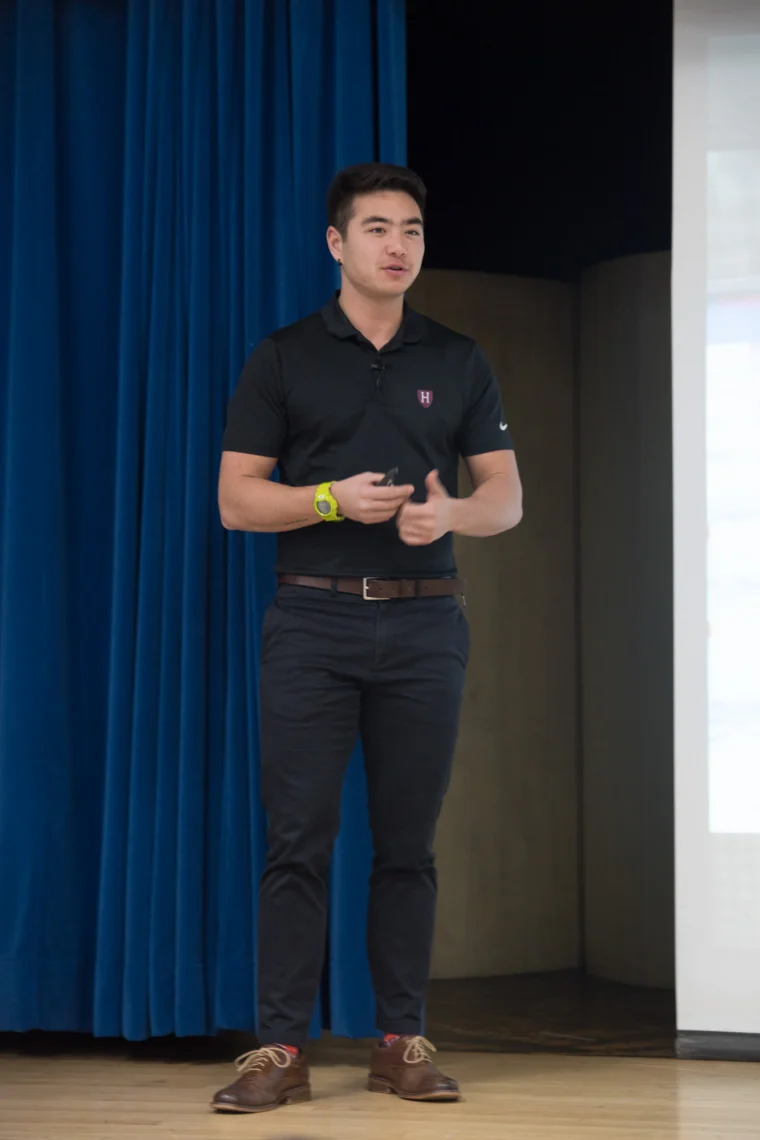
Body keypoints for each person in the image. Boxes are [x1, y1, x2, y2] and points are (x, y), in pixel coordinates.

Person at [212, 162, 522, 1114]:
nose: (399, 246)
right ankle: (278, 1050)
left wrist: (450, 520)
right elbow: (235, 501)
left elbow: (505, 500)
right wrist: (325, 499)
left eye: (414, 231)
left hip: (426, 621)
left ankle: (401, 1039)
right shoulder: (284, 356)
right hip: (311, 618)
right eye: (378, 228)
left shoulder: (458, 357)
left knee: (408, 845)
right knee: (298, 840)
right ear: (337, 244)